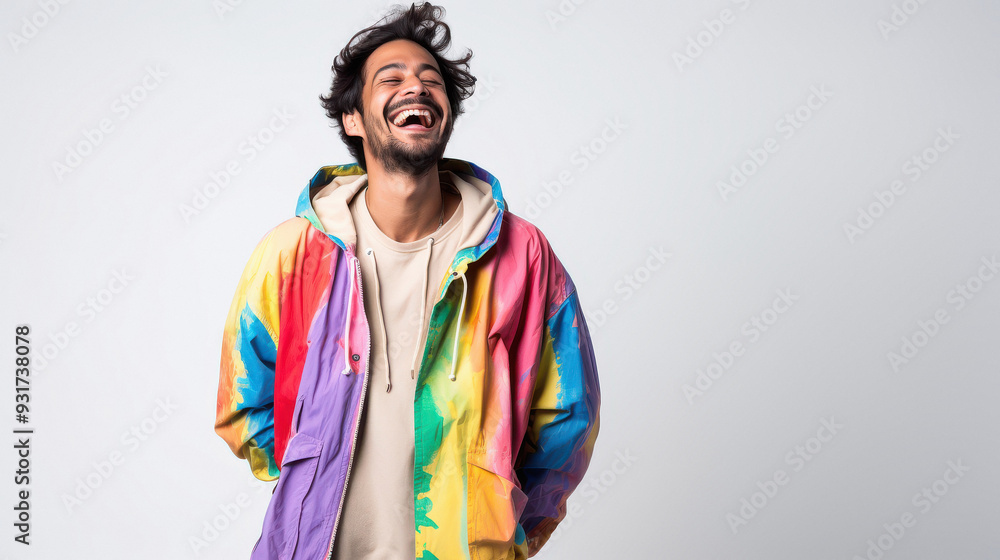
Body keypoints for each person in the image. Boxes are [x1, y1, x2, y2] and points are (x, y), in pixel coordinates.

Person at [214, 3, 601, 559]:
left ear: (446, 112)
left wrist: (499, 526)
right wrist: (312, 471)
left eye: (431, 81)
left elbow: (567, 422)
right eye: (390, 79)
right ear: (353, 119)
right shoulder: (294, 253)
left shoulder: (523, 255)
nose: (416, 88)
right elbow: (241, 404)